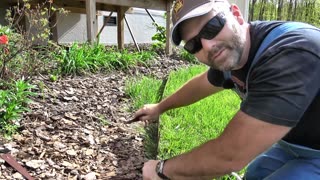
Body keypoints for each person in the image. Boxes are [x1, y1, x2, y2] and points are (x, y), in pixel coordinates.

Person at [134, 0, 320, 179]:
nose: (208, 45)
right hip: (293, 145)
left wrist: (161, 169)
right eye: (193, 45)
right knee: (255, 174)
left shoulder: (291, 54)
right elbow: (200, 85)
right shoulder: (233, 55)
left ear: (237, 15)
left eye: (212, 27)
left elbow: (229, 155)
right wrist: (159, 108)